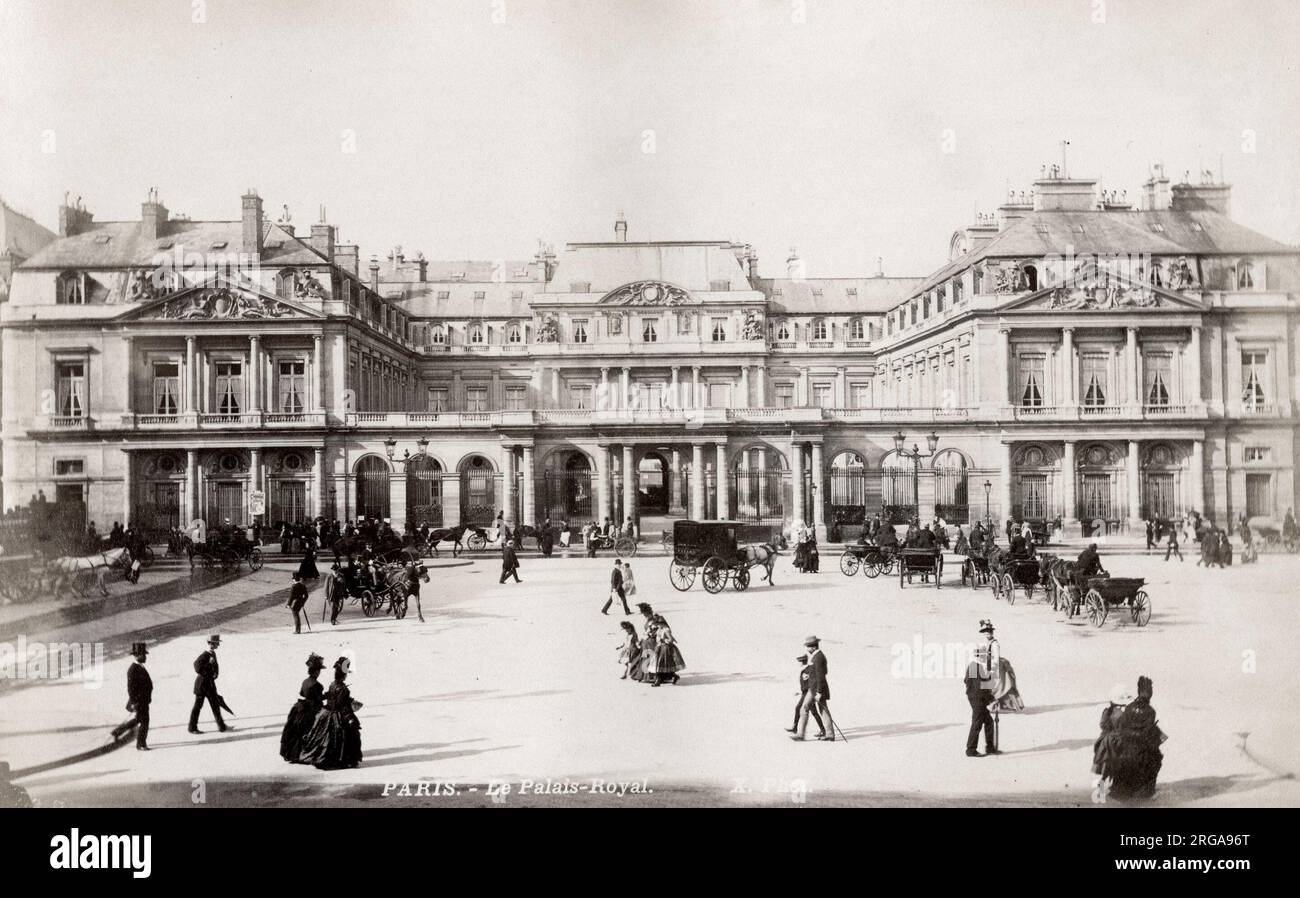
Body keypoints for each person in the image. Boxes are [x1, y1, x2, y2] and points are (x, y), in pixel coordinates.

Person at [299, 656, 363, 770]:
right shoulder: (343, 688)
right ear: (344, 674)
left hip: (326, 713)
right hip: (337, 715)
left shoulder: (332, 684)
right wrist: (350, 718)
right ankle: (341, 760)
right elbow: (343, 706)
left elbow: (334, 698)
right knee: (347, 736)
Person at [281, 653, 326, 762]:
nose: (319, 672)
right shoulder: (317, 685)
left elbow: (302, 693)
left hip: (301, 707)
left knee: (298, 733)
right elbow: (319, 699)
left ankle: (294, 754)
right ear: (316, 672)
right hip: (312, 709)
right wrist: (327, 695)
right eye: (319, 670)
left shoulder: (305, 681)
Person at [110, 641, 153, 750]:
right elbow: (131, 689)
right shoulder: (133, 670)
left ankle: (117, 732)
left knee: (138, 719)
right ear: (137, 655)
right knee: (145, 722)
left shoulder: (140, 667)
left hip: (143, 700)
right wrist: (134, 702)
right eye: (143, 655)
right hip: (139, 701)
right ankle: (141, 744)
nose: (145, 657)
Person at [964, 635, 999, 757]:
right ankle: (971, 750)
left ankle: (990, 748)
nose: (986, 658)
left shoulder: (975, 666)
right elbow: (980, 688)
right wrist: (990, 699)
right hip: (977, 700)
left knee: (988, 722)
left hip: (977, 698)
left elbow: (967, 681)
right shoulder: (976, 667)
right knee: (977, 723)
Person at [792, 636, 833, 740]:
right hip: (813, 688)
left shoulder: (818, 657)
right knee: (806, 707)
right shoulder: (816, 656)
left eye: (808, 647)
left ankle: (829, 734)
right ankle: (801, 734)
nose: (807, 649)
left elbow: (821, 676)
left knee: (822, 710)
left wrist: (819, 692)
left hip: (817, 689)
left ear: (814, 647)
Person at [188, 635, 230, 734]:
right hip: (202, 685)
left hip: (209, 684)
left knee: (215, 705)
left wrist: (215, 674)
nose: (218, 645)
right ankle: (192, 728)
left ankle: (222, 726)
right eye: (217, 643)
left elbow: (215, 666)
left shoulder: (212, 653)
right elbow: (197, 667)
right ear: (211, 644)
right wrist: (209, 665)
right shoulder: (205, 655)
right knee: (198, 707)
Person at [785, 653, 825, 738]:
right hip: (806, 693)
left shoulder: (808, 670)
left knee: (798, 707)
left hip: (808, 693)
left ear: (802, 661)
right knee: (814, 712)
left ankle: (795, 727)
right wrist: (800, 692)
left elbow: (811, 683)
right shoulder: (804, 670)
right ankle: (822, 730)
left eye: (799, 661)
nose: (798, 663)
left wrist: (810, 693)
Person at [649, 614, 685, 686]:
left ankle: (658, 680)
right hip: (659, 648)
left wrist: (663, 640)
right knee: (662, 665)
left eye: (657, 624)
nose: (657, 626)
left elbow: (671, 640)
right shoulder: (660, 629)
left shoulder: (666, 630)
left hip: (665, 648)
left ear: (661, 623)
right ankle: (674, 676)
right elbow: (657, 635)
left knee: (661, 664)